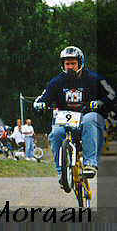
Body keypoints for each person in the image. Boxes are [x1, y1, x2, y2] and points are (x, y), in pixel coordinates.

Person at [34, 46, 116, 186]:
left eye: (73, 63)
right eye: (67, 64)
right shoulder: (56, 82)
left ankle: (90, 164)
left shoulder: (95, 78)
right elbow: (43, 97)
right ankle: (61, 172)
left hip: (89, 118)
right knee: (55, 134)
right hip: (65, 120)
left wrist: (100, 102)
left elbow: (112, 94)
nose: (70, 67)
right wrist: (40, 104)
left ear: (80, 63)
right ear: (63, 65)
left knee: (90, 119)